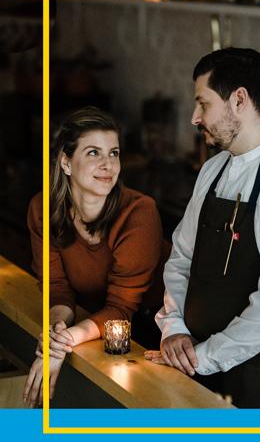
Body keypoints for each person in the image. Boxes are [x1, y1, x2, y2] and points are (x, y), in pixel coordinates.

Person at [145, 47, 260, 408]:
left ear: (239, 100)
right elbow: (181, 260)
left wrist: (204, 357)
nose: (195, 118)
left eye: (203, 104)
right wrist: (175, 329)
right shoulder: (212, 172)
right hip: (193, 367)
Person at [23, 106, 168, 407]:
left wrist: (63, 344)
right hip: (93, 322)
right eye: (93, 153)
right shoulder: (43, 209)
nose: (108, 164)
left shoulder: (138, 212)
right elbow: (58, 288)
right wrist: (56, 333)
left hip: (153, 330)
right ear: (65, 161)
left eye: (113, 153)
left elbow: (122, 307)